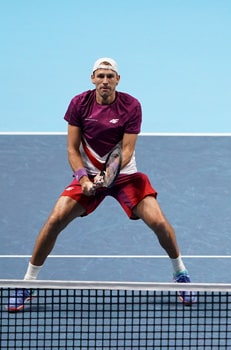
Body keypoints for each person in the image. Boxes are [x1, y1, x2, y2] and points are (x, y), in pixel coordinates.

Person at [7, 58, 196, 312]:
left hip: (125, 176)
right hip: (88, 177)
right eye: (100, 76)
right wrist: (83, 178)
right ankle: (26, 284)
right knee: (54, 221)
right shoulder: (79, 104)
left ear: (118, 80)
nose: (105, 81)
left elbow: (127, 151)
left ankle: (180, 274)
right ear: (92, 78)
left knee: (159, 222)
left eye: (110, 76)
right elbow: (72, 150)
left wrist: (108, 176)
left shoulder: (131, 106)